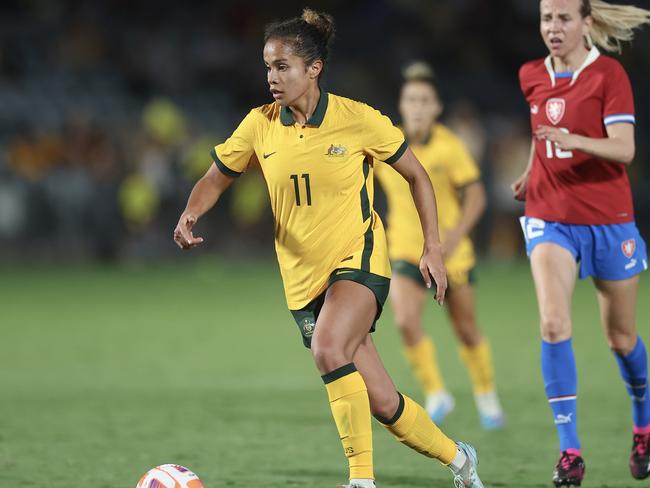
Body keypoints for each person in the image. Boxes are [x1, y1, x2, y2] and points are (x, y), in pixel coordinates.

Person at [173, 8, 483, 488]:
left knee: (328, 347)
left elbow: (418, 176)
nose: (272, 78)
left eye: (282, 67)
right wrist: (191, 213)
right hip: (302, 280)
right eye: (267, 67)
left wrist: (433, 247)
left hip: (358, 260)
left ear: (313, 68)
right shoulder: (259, 124)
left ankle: (361, 480)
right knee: (382, 401)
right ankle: (459, 458)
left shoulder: (357, 119)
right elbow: (216, 178)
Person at [512, 0, 650, 485]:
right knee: (553, 323)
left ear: (586, 23)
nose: (553, 27)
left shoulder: (609, 75)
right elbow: (539, 132)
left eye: (564, 18)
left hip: (610, 221)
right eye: (547, 18)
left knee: (621, 338)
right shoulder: (531, 73)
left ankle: (643, 424)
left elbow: (625, 148)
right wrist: (532, 171)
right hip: (550, 217)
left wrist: (577, 141)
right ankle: (570, 451)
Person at [375, 62, 504, 429]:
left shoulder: (450, 146)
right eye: (411, 99)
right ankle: (436, 392)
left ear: (436, 108)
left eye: (424, 100)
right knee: (404, 321)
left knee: (465, 328)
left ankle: (486, 394)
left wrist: (457, 234)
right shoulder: (387, 143)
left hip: (450, 253)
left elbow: (476, 194)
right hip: (404, 250)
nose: (417, 106)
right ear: (401, 105)